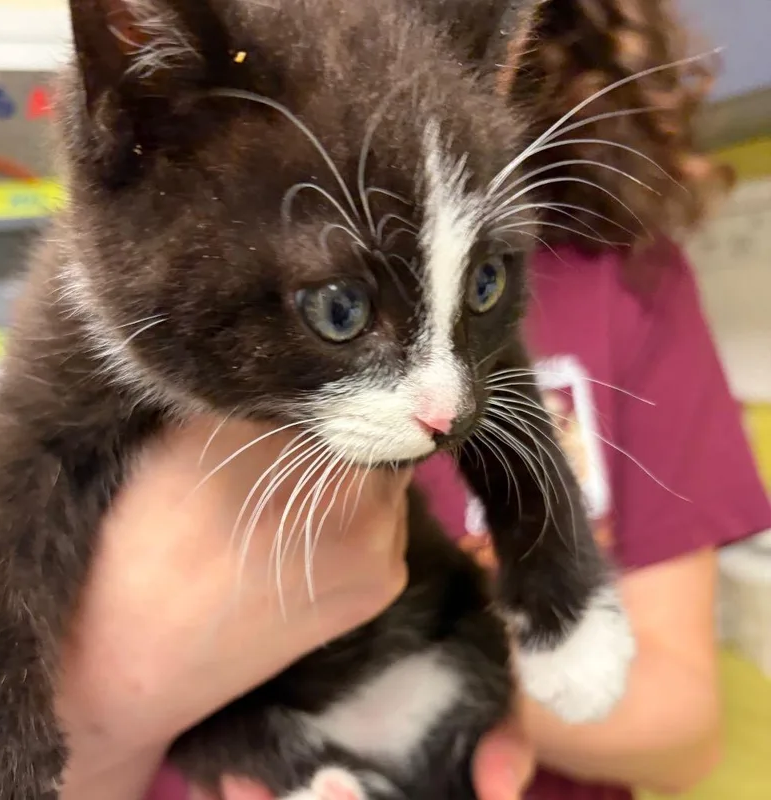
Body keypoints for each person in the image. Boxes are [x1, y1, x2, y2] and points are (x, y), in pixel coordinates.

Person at [54, 1, 771, 799]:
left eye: (491, 283)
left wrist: (463, 670)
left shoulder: (622, 267)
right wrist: (122, 701)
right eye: (336, 303)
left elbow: (686, 731)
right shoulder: (175, 244)